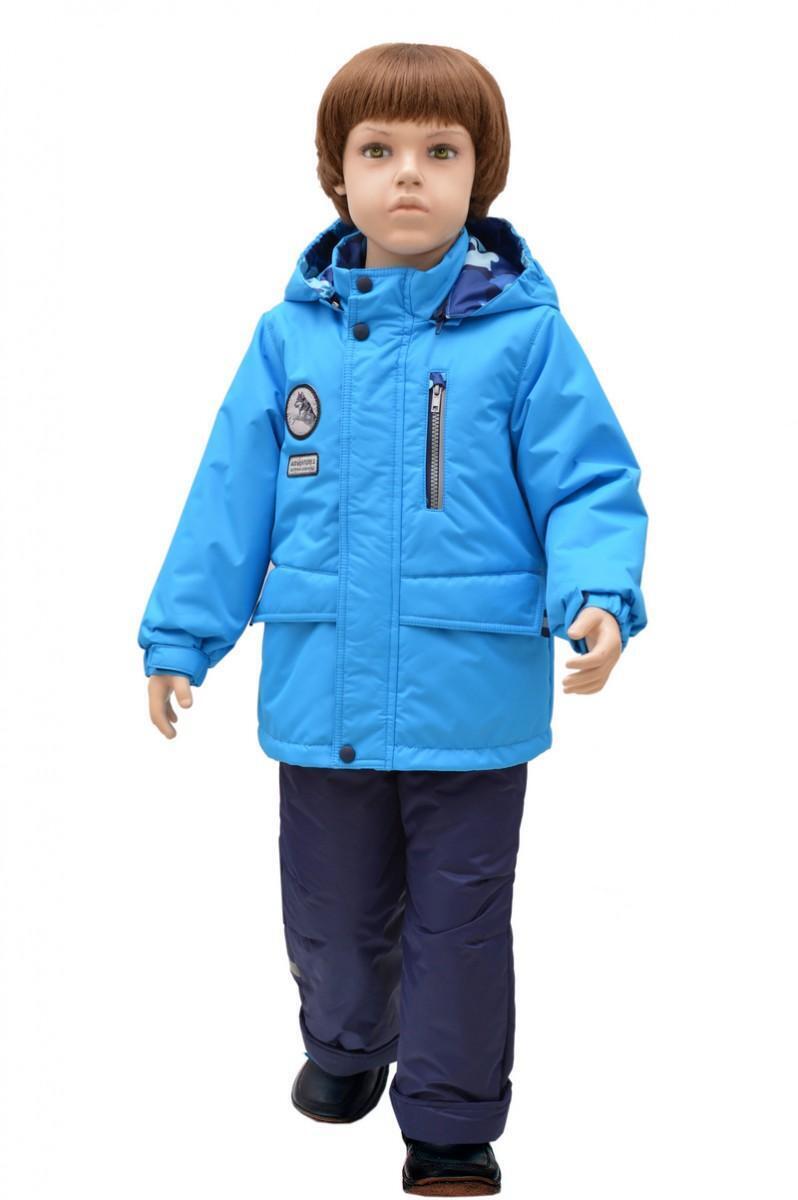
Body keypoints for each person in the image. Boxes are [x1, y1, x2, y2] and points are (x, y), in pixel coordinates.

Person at [137, 42, 649, 1197]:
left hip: (470, 702)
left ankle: (452, 1121)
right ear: (337, 174)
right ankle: (347, 1041)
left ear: (481, 176)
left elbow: (587, 482)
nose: (407, 172)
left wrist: (597, 594)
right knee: (329, 909)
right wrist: (181, 637)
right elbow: (229, 498)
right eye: (378, 149)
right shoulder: (289, 341)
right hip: (322, 694)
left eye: (439, 150)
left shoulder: (524, 338)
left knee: (460, 922)